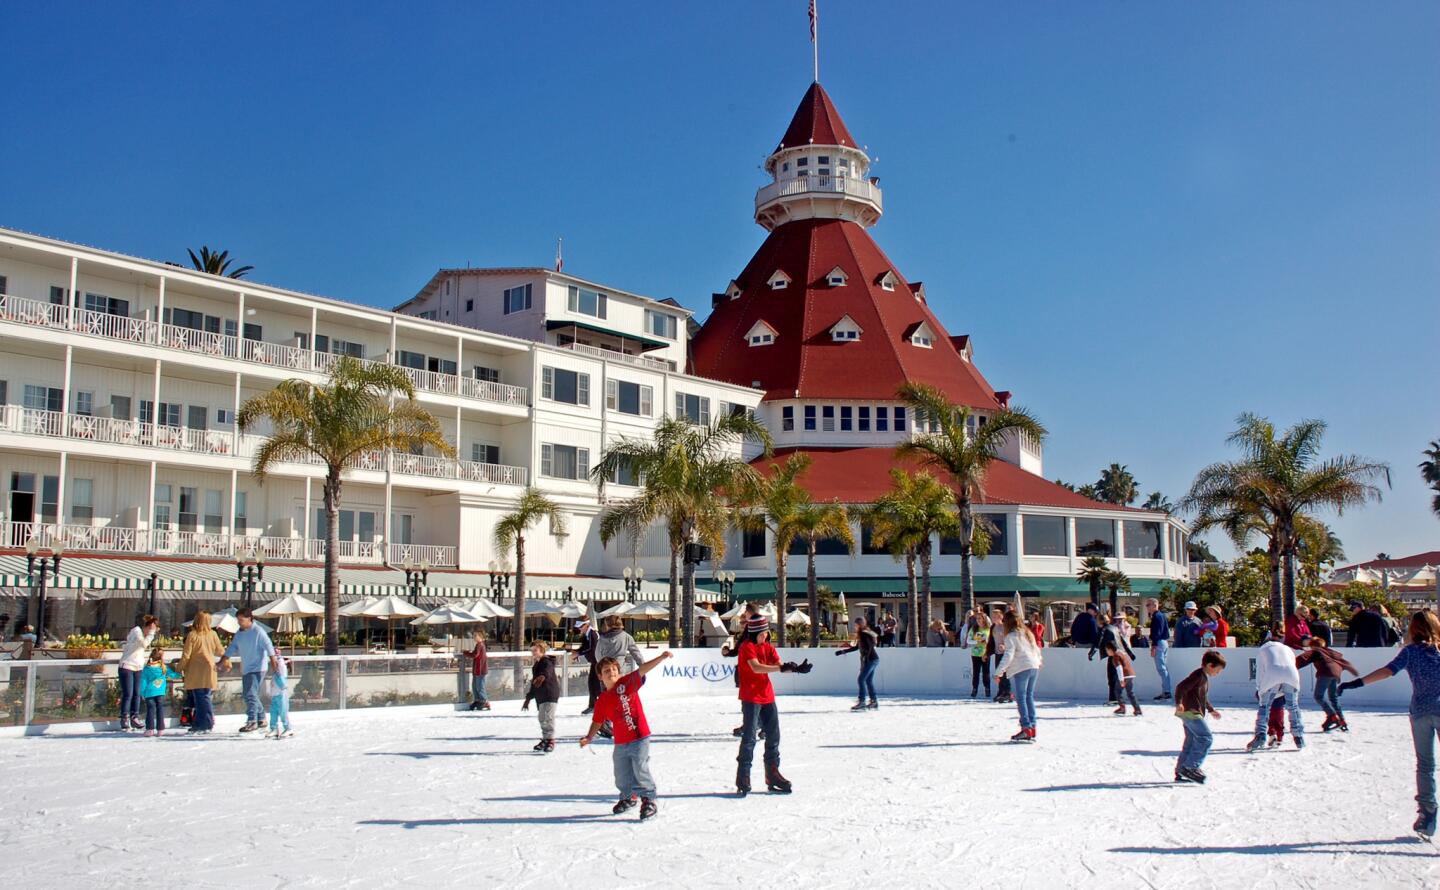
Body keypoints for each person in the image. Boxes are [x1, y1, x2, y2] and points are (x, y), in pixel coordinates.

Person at [1338, 610, 1440, 840]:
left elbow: (1387, 672)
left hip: (1421, 712)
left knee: (1425, 765)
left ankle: (1428, 814)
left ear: (1413, 629)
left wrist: (1356, 683)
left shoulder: (1410, 652)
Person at [581, 651, 672, 821]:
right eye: (607, 671)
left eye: (614, 669)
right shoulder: (602, 699)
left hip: (639, 736)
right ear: (600, 677)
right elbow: (597, 721)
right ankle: (629, 796)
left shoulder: (626, 683)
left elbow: (642, 669)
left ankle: (648, 799)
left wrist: (660, 657)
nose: (612, 673)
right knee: (621, 772)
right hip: (621, 741)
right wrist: (589, 737)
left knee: (639, 766)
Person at [734, 614, 808, 795]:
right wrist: (781, 668)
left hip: (767, 696)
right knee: (750, 737)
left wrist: (795, 668)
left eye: (766, 633)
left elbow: (779, 665)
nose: (765, 636)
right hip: (751, 697)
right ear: (753, 633)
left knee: (774, 736)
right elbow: (756, 667)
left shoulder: (768, 646)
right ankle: (743, 776)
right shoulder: (747, 647)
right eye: (762, 633)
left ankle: (772, 774)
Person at [1173, 650, 1226, 784]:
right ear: (1209, 665)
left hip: (1189, 713)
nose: (1218, 673)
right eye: (1218, 670)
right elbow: (1180, 687)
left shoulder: (1202, 677)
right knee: (1205, 738)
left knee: (1190, 742)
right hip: (1191, 713)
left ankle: (1181, 771)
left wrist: (1211, 710)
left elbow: (1202, 697)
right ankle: (1190, 767)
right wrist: (1178, 702)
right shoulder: (1198, 675)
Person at [1246, 635, 1306, 752]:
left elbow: (1260, 671)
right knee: (1293, 706)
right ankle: (1299, 736)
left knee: (1265, 707)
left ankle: (1260, 735)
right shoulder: (1287, 649)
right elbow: (1292, 664)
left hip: (1272, 674)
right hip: (1292, 675)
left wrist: (1260, 690)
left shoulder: (1263, 650)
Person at [221, 607, 276, 734]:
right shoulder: (239, 633)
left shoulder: (258, 631)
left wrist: (273, 660)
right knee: (249, 694)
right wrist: (222, 660)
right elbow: (232, 647)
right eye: (238, 620)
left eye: (241, 620)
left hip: (258, 668)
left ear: (249, 619)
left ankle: (252, 721)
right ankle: (261, 718)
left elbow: (268, 645)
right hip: (246, 667)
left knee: (250, 694)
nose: (239, 622)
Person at [994, 610, 1043, 742]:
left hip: (1022, 667)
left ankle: (1026, 727)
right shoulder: (1027, 633)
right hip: (1033, 666)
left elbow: (1008, 655)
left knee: (1021, 698)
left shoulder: (1011, 636)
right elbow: (1036, 649)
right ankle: (1032, 727)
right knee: (1029, 697)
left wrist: (998, 672)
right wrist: (1039, 660)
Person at [593, 614, 645, 738]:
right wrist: (642, 667)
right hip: (619, 673)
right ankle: (616, 724)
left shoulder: (602, 639)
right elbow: (636, 653)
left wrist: (603, 668)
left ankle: (605, 723)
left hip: (606, 674)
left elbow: (597, 655)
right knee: (622, 699)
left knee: (607, 698)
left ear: (608, 625)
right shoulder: (626, 637)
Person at [1296, 637, 1358, 732]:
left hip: (1325, 673)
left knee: (1318, 696)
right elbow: (1343, 661)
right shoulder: (1330, 652)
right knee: (1333, 697)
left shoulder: (1316, 651)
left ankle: (1332, 716)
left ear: (1313, 645)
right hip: (1336, 674)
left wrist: (1291, 665)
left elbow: (1302, 659)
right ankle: (1342, 721)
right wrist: (1351, 669)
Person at [179, 610, 224, 734]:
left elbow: (186, 655)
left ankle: (205, 723)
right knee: (204, 696)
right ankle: (199, 722)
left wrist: (179, 668)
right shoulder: (213, 634)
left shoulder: (192, 635)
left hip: (196, 670)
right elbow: (220, 650)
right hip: (210, 668)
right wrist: (226, 661)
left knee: (201, 697)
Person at [117, 614, 159, 732]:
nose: (151, 632)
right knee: (128, 693)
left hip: (138, 667)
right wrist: (150, 635)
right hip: (127, 666)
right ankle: (124, 717)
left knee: (137, 693)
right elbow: (143, 644)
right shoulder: (136, 631)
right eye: (151, 628)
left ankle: (134, 716)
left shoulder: (143, 635)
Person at [521, 640, 560, 753]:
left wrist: (542, 676)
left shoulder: (546, 661)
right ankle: (545, 739)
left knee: (548, 717)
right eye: (532, 650)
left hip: (550, 693)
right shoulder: (536, 665)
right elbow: (535, 682)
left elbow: (546, 672)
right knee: (542, 718)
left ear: (542, 650)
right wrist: (528, 698)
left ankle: (550, 740)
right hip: (541, 695)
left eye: (535, 650)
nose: (533, 652)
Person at [1089, 612, 1135, 703]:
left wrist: (1091, 653)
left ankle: (1114, 698)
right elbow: (1123, 642)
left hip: (1113, 655)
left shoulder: (1103, 629)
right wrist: (1130, 654)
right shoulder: (1115, 628)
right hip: (1121, 654)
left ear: (1100, 621)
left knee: (1112, 677)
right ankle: (1117, 697)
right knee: (1117, 677)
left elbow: (1097, 642)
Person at [836, 617, 880, 710]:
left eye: (856, 625)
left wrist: (865, 661)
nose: (855, 627)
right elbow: (856, 648)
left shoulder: (864, 633)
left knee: (861, 679)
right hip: (872, 659)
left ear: (860, 624)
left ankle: (862, 701)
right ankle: (874, 701)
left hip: (871, 659)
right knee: (868, 681)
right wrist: (843, 651)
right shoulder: (863, 633)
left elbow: (870, 646)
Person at [139, 648, 181, 737]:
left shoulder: (147, 668)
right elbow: (173, 674)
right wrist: (181, 675)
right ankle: (160, 729)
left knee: (150, 710)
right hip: (160, 692)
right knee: (160, 710)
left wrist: (142, 692)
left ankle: (150, 729)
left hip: (149, 692)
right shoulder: (163, 667)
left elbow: (143, 681)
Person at [1105, 639, 1142, 716]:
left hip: (1124, 676)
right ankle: (1137, 709)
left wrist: (1121, 680)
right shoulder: (1121, 652)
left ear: (1111, 649)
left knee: (1117, 691)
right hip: (1130, 674)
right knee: (1130, 693)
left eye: (1107, 650)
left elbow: (1119, 668)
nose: (1107, 652)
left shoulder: (1115, 656)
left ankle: (1122, 708)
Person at [1145, 598, 1172, 701]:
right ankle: (1166, 690)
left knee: (1161, 668)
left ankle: (1167, 692)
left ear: (1154, 605)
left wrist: (1154, 646)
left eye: (1148, 605)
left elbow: (1156, 632)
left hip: (1159, 643)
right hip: (1164, 642)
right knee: (1163, 667)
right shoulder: (1161, 616)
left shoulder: (1156, 617)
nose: (1147, 607)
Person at [265, 652, 294, 739]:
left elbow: (280, 665)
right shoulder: (276, 672)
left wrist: (280, 659)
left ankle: (288, 728)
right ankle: (273, 729)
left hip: (281, 695)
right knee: (273, 712)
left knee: (283, 712)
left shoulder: (280, 668)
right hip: (275, 695)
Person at [576, 617, 601, 715]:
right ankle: (593, 706)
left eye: (581, 626)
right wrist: (578, 652)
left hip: (598, 663)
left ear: (586, 625)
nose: (579, 628)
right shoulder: (586, 635)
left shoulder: (592, 634)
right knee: (592, 684)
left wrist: (579, 653)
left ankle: (597, 706)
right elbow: (584, 647)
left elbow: (592, 648)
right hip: (594, 663)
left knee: (597, 686)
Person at [989, 608, 1012, 704]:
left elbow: (1009, 640)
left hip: (1005, 653)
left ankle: (1007, 693)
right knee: (999, 674)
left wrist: (1004, 646)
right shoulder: (993, 627)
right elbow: (991, 641)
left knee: (1005, 674)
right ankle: (1001, 691)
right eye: (992, 616)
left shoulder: (1004, 627)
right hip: (997, 653)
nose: (993, 618)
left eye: (995, 616)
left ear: (1000, 617)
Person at [968, 611, 992, 699]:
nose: (978, 620)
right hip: (975, 653)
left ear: (984, 619)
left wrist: (987, 642)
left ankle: (987, 688)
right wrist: (976, 641)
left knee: (986, 672)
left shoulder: (988, 629)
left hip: (985, 653)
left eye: (979, 618)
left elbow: (991, 641)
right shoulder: (973, 629)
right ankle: (974, 689)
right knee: (976, 672)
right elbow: (968, 640)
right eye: (977, 618)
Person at [465, 628, 490, 711]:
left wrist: (466, 653)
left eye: (475, 636)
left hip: (480, 670)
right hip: (477, 669)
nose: (474, 637)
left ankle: (484, 700)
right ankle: (478, 700)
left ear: (480, 637)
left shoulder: (480, 645)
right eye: (473, 636)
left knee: (480, 686)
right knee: (475, 686)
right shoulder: (478, 645)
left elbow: (475, 655)